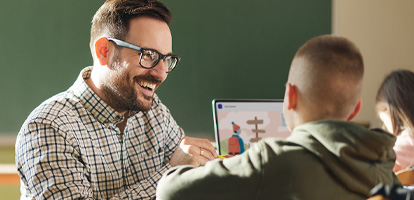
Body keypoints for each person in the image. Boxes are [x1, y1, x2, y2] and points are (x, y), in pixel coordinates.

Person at [15, 0, 217, 199]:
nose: (161, 73)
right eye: (148, 55)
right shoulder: (48, 127)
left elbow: (191, 180)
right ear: (104, 51)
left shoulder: (156, 113)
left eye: (166, 60)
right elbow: (178, 170)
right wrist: (172, 175)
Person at [156, 35, 399, 200]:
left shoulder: (272, 161)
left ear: (290, 95)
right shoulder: (384, 167)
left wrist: (182, 163)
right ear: (355, 110)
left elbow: (168, 192)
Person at [376, 69, 414, 173]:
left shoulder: (405, 143)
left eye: (384, 121)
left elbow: (378, 172)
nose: (385, 127)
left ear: (392, 113)